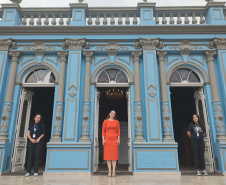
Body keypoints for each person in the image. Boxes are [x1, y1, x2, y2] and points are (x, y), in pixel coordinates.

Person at [102, 110, 120, 177]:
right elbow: (103, 131)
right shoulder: (105, 121)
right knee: (108, 157)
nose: (113, 114)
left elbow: (118, 131)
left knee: (114, 157)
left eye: (114, 114)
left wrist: (118, 139)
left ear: (115, 115)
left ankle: (114, 172)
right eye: (112, 113)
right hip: (107, 140)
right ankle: (109, 171)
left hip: (114, 140)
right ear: (109, 114)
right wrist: (103, 140)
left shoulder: (116, 122)